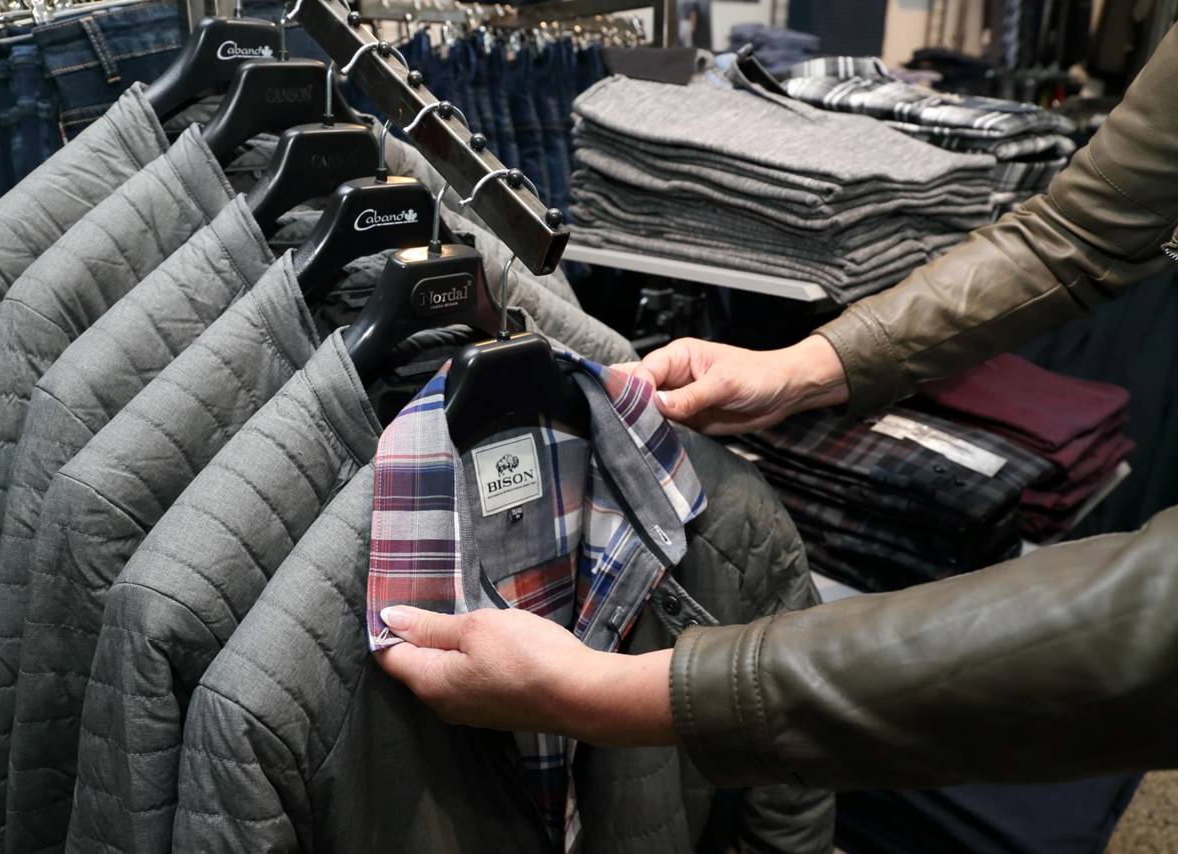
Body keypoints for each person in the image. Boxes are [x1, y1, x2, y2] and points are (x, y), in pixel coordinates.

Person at [376, 24, 1178, 792]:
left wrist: (609, 696)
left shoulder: (713, 505)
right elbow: (1082, 228)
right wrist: (803, 368)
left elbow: (1149, 622)